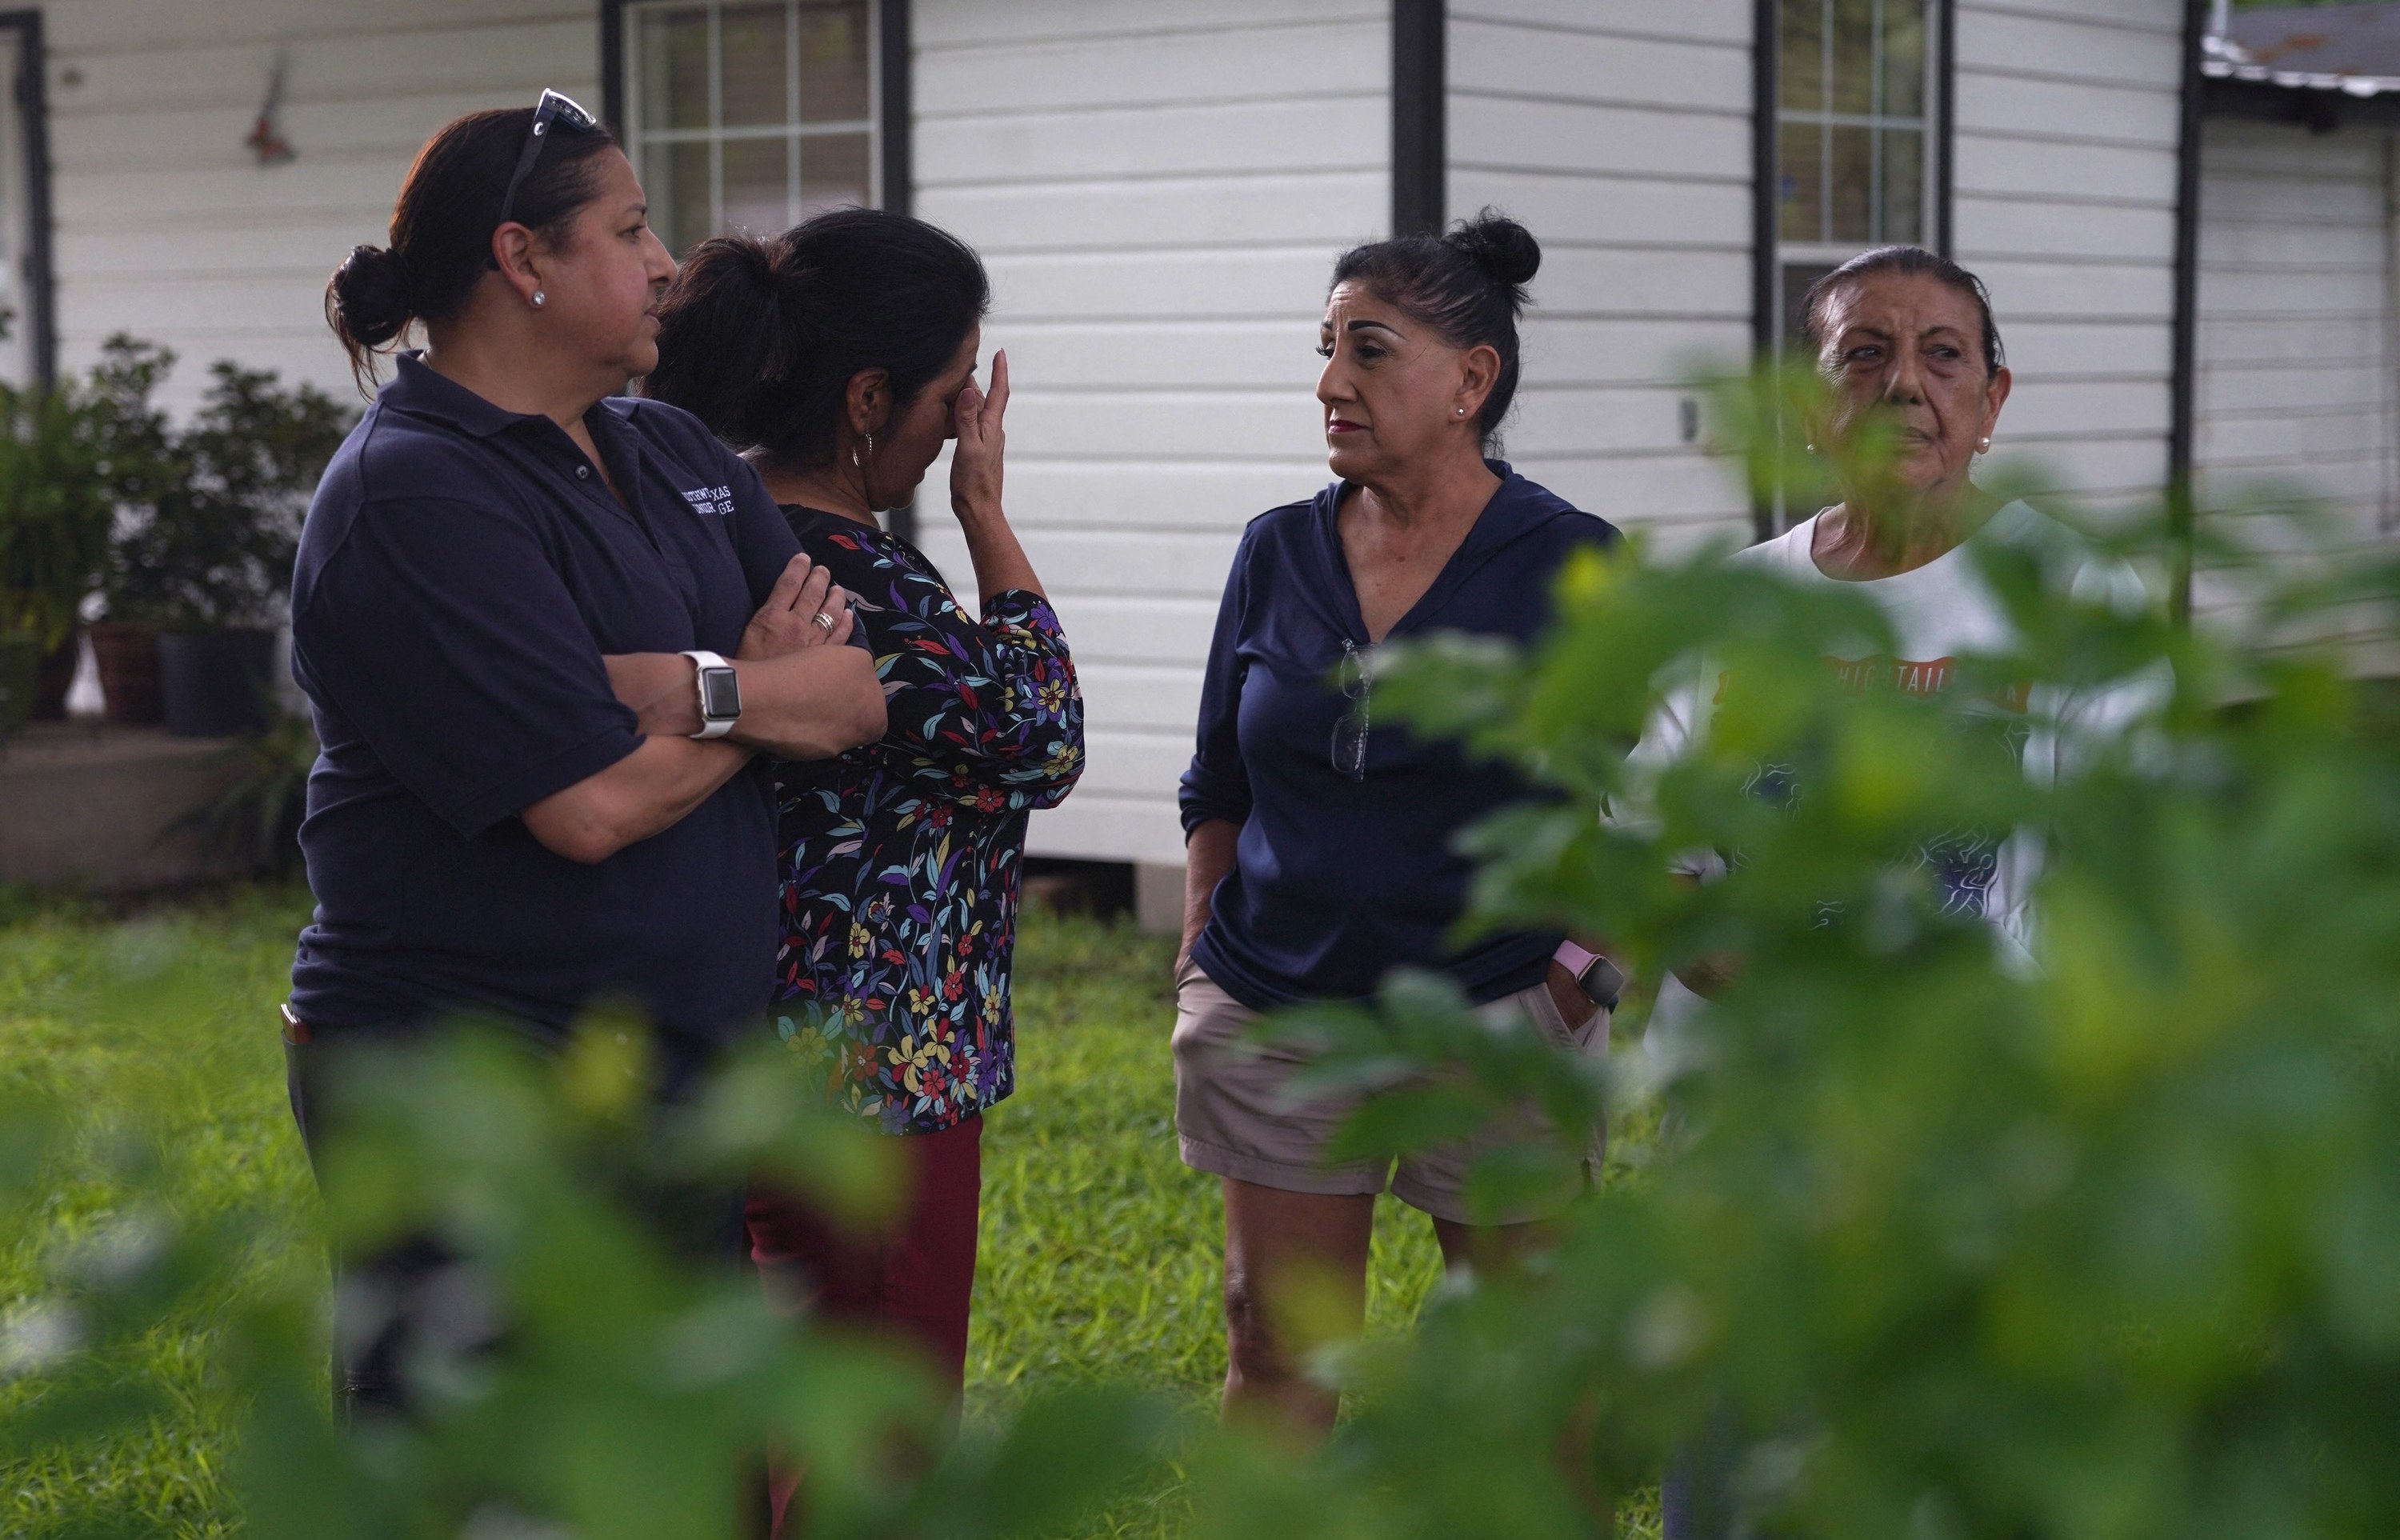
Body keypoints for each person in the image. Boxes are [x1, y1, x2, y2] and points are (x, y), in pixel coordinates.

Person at [290, 93, 886, 1418]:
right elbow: (590, 806)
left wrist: (681, 685)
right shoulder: (412, 491)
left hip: (673, 1073)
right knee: (494, 1469)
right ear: (524, 261)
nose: (670, 258)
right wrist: (751, 686)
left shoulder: (668, 446)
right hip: (475, 1083)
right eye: (628, 227)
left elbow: (852, 692)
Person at [1641, 244, 2159, 1540]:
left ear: (1993, 400)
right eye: (1861, 353)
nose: (1904, 385)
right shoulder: (1730, 610)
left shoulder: (2079, 596)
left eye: (1942, 355)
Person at [1174, 210, 1621, 1434]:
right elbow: (1218, 778)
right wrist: (1205, 931)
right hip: (1280, 1010)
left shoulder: (1573, 564)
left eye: (1369, 351)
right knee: (1277, 1351)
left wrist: (1585, 971)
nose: (1330, 383)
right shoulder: (1276, 552)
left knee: (1530, 1382)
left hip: (1496, 1013)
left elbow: (1651, 797)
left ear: (1471, 381)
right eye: (1324, 348)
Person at [642, 210, 1082, 1438]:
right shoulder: (866, 583)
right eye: (954, 398)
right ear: (869, 397)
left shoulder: (715, 539)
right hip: (882, 1084)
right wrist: (988, 516)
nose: (962, 431)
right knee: (870, 1444)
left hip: (732, 1052)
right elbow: (1043, 738)